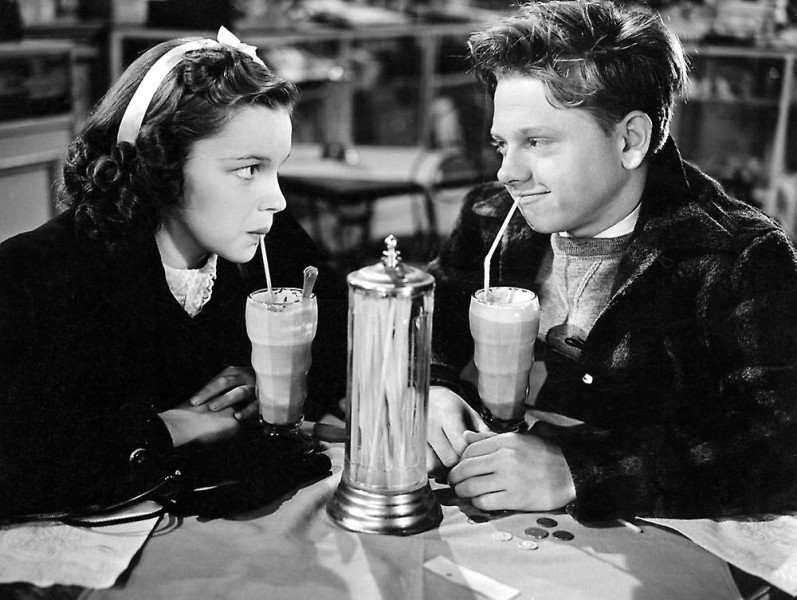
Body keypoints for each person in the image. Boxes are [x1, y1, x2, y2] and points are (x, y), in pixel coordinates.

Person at [426, 0, 797, 521]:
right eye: (502, 145)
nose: (508, 172)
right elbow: (428, 322)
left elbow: (778, 449)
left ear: (630, 140)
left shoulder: (739, 257)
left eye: (537, 141)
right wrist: (432, 384)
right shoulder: (490, 217)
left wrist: (578, 471)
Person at [0, 29, 347, 517]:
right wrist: (172, 427)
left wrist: (267, 378)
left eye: (277, 169)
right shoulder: (35, 273)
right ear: (160, 162)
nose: (277, 199)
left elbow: (338, 324)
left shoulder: (270, 239)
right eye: (249, 169)